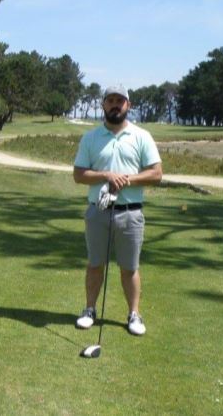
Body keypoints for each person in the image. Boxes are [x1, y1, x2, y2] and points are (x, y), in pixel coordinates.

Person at [73, 84, 162, 336]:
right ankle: (89, 309)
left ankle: (134, 314)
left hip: (130, 212)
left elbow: (156, 173)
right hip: (98, 211)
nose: (115, 105)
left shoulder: (141, 136)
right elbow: (79, 175)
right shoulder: (90, 138)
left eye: (120, 101)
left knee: (129, 267)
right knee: (95, 264)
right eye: (110, 100)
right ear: (103, 105)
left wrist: (127, 179)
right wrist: (105, 175)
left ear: (128, 106)